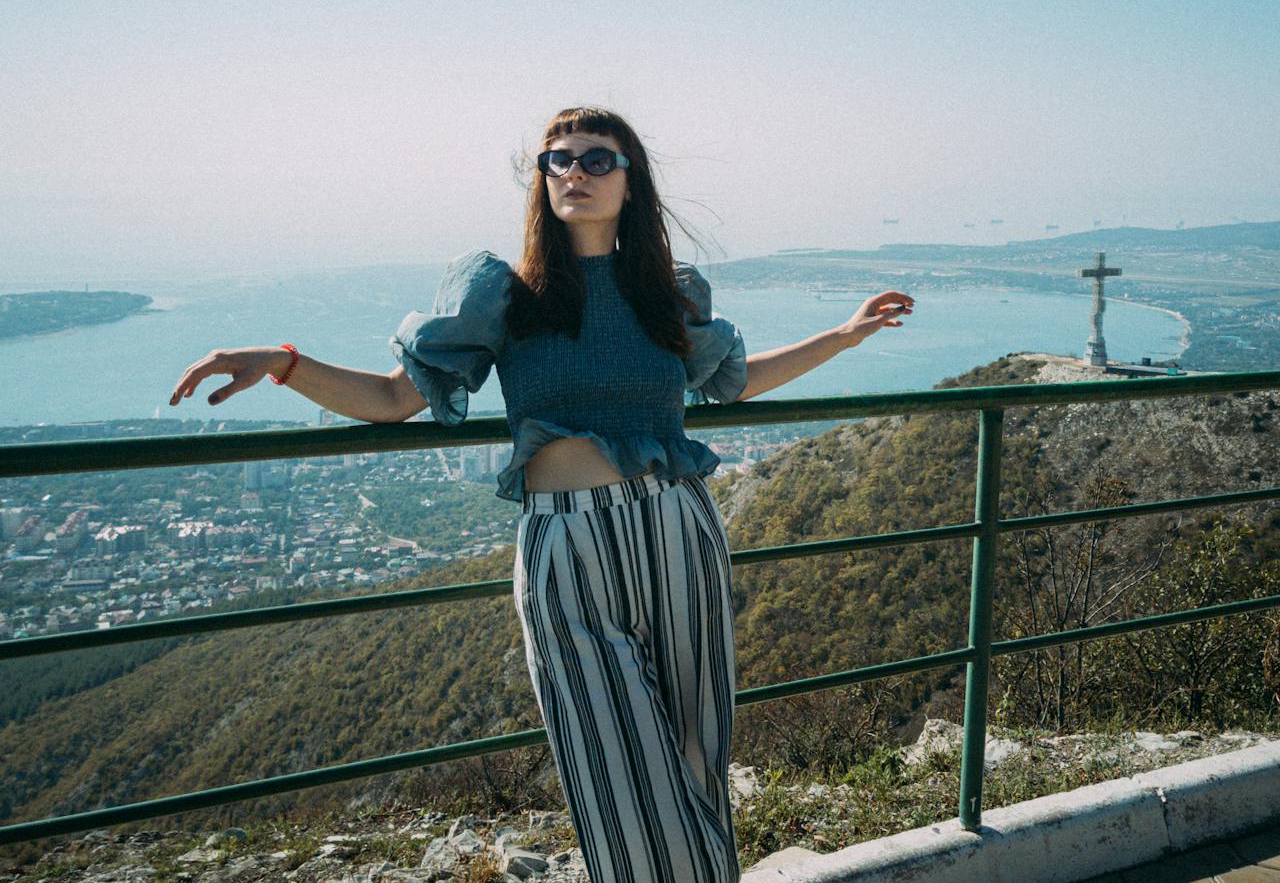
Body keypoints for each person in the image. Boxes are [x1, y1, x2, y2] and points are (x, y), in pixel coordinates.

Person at [169, 105, 914, 883]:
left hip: (679, 532)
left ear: (631, 182)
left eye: (597, 158)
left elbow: (735, 381)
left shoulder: (668, 295)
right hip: (567, 546)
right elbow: (393, 398)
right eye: (558, 159)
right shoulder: (505, 296)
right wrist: (284, 363)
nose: (574, 172)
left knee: (697, 765)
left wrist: (843, 336)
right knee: (621, 789)